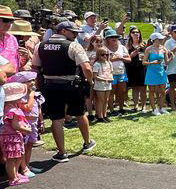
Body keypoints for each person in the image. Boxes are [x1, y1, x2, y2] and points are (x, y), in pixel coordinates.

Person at [31, 20, 96, 162]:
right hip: (72, 85)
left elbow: (35, 68)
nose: (75, 35)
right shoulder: (73, 45)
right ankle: (87, 142)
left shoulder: (40, 46)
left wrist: (37, 85)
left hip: (51, 86)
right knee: (80, 114)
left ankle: (61, 153)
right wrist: (90, 82)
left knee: (56, 119)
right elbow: (87, 68)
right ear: (64, 31)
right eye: (73, 32)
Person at [9, 71, 43, 177]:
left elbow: (38, 108)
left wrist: (41, 120)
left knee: (30, 145)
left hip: (33, 122)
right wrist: (31, 95)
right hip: (24, 124)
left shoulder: (35, 94)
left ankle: (27, 165)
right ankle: (23, 168)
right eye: (28, 81)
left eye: (33, 80)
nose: (32, 83)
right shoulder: (20, 97)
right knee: (23, 146)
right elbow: (27, 108)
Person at [1, 83, 32, 186]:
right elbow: (15, 125)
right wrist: (26, 129)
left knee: (16, 156)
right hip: (11, 137)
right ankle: (13, 178)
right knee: (11, 159)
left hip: (10, 136)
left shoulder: (6, 108)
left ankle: (16, 174)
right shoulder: (14, 110)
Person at [143, 32, 171, 116]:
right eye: (159, 39)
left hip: (161, 72)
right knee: (152, 91)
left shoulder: (163, 49)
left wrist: (171, 57)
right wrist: (151, 62)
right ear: (154, 40)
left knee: (163, 91)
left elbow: (166, 63)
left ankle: (161, 107)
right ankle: (154, 109)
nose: (161, 40)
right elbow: (143, 62)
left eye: (161, 39)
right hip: (151, 72)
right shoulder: (148, 49)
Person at [125, 26, 147, 112]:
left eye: (137, 32)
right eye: (133, 32)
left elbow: (148, 56)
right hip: (132, 68)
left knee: (143, 88)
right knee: (135, 88)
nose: (135, 34)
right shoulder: (127, 46)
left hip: (142, 68)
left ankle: (144, 105)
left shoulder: (144, 45)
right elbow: (125, 58)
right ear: (130, 34)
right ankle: (135, 105)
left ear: (140, 34)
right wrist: (132, 55)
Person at [92, 46, 114, 122]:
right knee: (100, 100)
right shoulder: (96, 64)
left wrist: (111, 78)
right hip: (99, 85)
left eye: (107, 54)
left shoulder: (109, 63)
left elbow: (111, 73)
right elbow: (94, 76)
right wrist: (105, 79)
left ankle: (105, 115)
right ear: (98, 55)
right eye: (102, 54)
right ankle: (99, 116)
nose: (105, 56)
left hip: (108, 84)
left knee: (106, 100)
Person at [0, 6, 19, 71]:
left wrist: (23, 60)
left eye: (11, 21)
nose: (8, 24)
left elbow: (15, 60)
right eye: (5, 20)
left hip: (12, 78)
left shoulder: (12, 39)